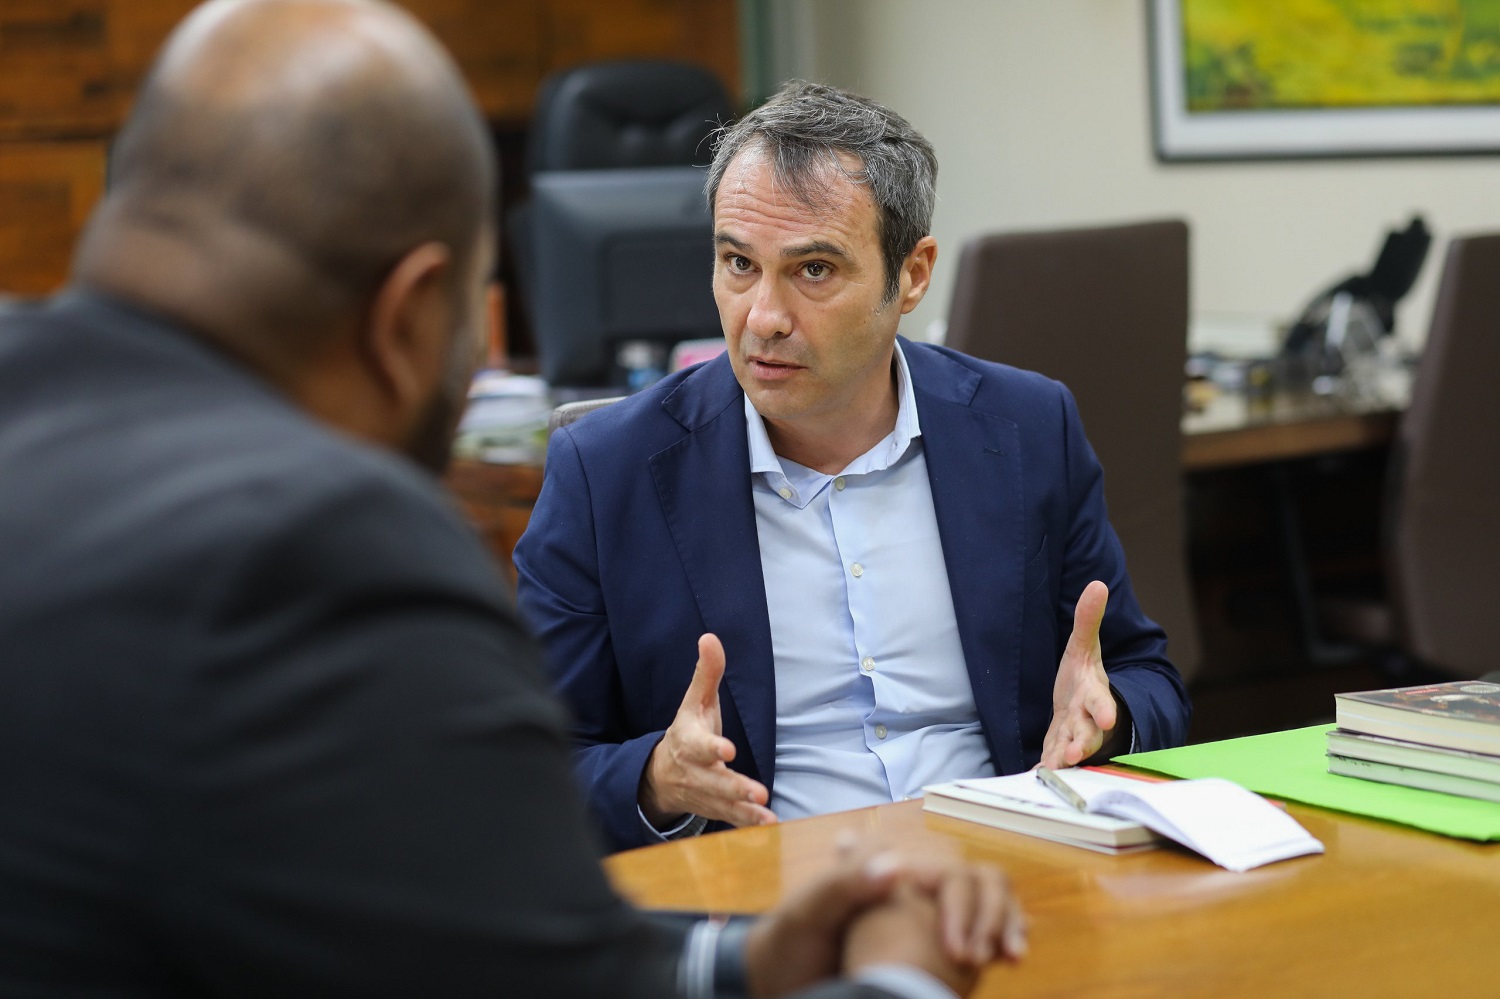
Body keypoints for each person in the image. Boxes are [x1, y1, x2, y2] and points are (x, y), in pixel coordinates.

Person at [0, 4, 1026, 997]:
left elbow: (439, 938)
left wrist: (744, 966)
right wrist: (899, 971)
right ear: (410, 320)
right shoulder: (320, 553)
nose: (764, 314)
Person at [514, 81, 1192, 852]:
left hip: (1012, 874)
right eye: (739, 263)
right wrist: (655, 777)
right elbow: (525, 769)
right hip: (773, 913)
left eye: (813, 271)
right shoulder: (608, 474)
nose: (763, 317)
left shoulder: (1028, 428)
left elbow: (1147, 678)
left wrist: (1109, 718)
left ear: (912, 275)